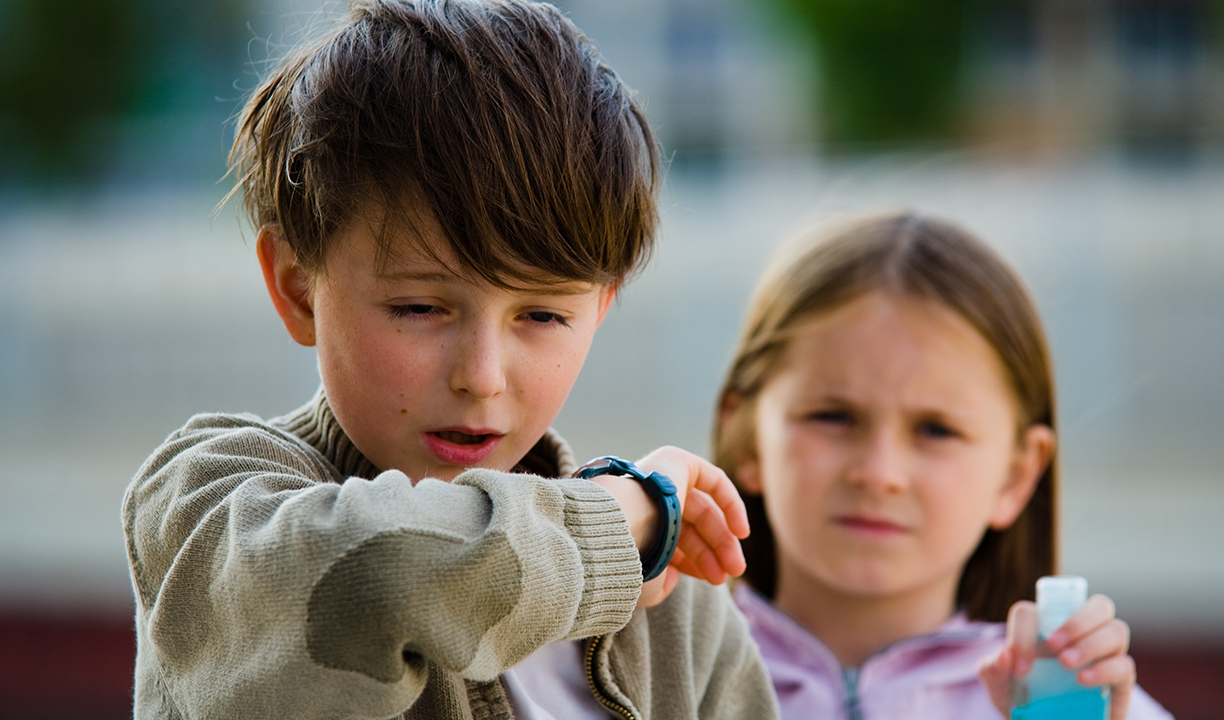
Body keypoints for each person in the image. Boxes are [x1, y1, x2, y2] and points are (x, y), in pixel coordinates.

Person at [121, 2, 776, 718]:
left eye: (543, 315)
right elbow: (369, 582)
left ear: (601, 308)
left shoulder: (678, 617)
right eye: (419, 309)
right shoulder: (208, 504)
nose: (482, 375)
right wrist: (612, 528)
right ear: (298, 286)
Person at [711, 211, 1173, 720]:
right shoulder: (642, 685)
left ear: (1017, 476)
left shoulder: (1091, 712)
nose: (879, 473)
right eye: (833, 417)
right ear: (747, 439)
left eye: (936, 430)